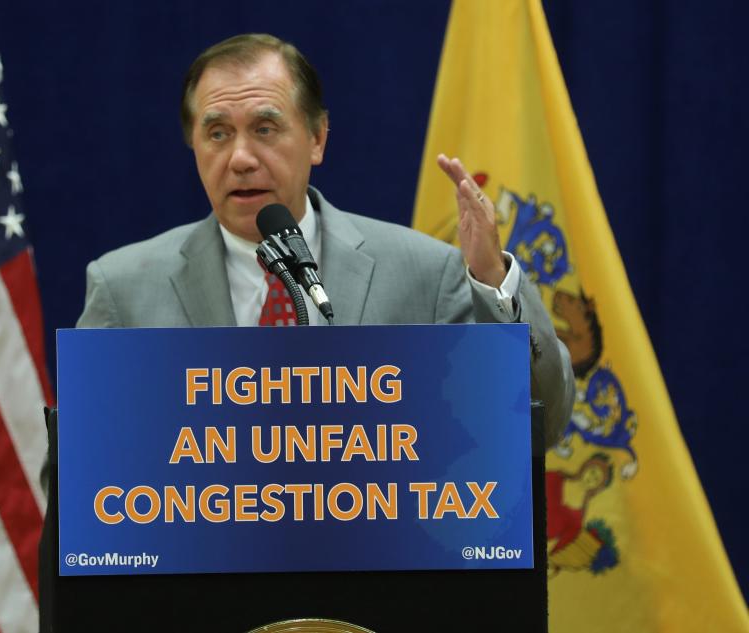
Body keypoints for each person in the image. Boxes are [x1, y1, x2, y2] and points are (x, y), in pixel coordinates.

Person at [76, 33, 575, 446]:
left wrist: (491, 279)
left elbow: (540, 426)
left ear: (317, 138)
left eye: (265, 129)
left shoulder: (426, 275)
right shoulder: (124, 289)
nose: (241, 158)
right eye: (218, 134)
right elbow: (80, 476)